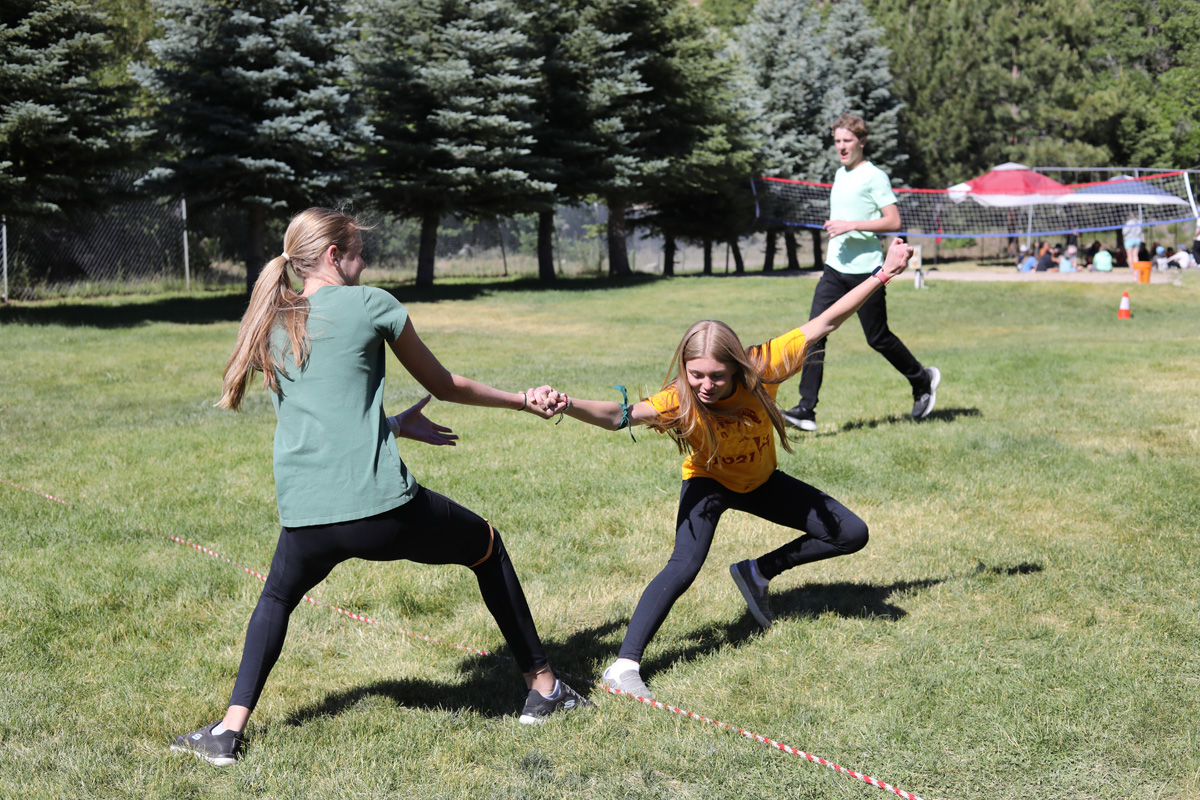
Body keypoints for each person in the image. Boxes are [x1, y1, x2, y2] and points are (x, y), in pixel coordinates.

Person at [170, 209, 589, 767]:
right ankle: (545, 689)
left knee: (276, 598)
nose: (364, 262)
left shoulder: (272, 319)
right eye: (358, 251)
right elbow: (444, 384)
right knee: (488, 546)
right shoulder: (372, 304)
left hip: (306, 518)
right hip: (382, 511)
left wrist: (391, 425)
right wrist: (522, 401)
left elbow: (324, 415)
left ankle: (227, 732)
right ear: (333, 256)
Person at [536, 238, 914, 700]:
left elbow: (827, 321)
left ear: (736, 367)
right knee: (684, 564)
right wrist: (567, 404)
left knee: (851, 533)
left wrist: (884, 273)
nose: (706, 385)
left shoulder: (764, 366)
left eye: (717, 375)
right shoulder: (678, 399)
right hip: (709, 483)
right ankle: (624, 666)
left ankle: (757, 572)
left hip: (762, 482)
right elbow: (621, 416)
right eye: (696, 374)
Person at [782, 113, 938, 433]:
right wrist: (839, 226)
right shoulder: (840, 174)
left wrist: (851, 225)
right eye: (837, 141)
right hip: (834, 268)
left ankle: (922, 379)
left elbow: (893, 220)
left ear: (861, 141)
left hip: (867, 271)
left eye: (847, 141)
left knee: (877, 338)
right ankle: (806, 409)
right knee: (814, 333)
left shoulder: (874, 176)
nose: (841, 147)